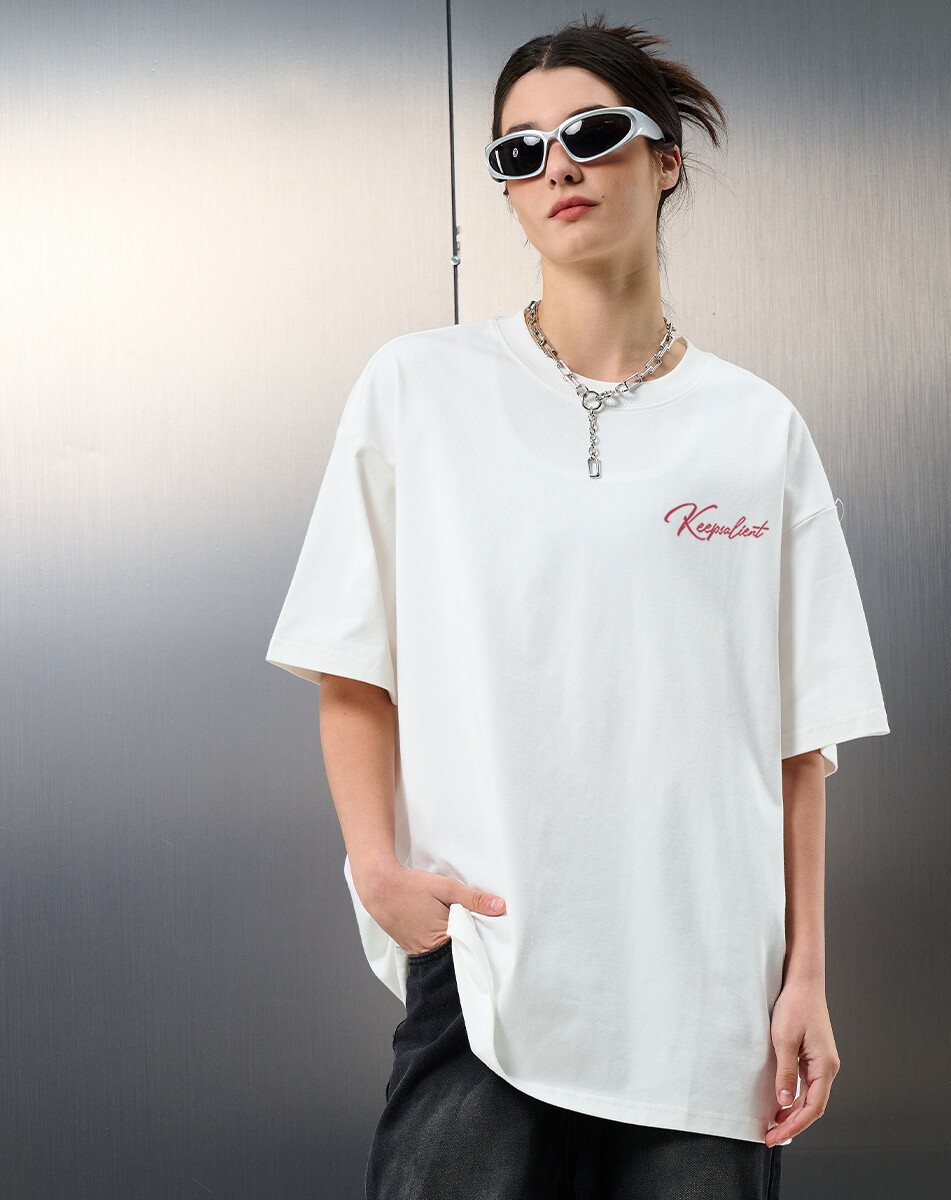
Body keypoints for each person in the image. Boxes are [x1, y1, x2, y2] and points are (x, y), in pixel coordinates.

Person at [266, 14, 889, 1200]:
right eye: (522, 151)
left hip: (709, 994)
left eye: (594, 133)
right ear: (507, 192)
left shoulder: (758, 430)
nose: (558, 164)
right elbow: (350, 663)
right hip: (492, 966)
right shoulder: (418, 389)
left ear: (667, 161)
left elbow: (799, 741)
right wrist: (378, 871)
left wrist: (804, 977)